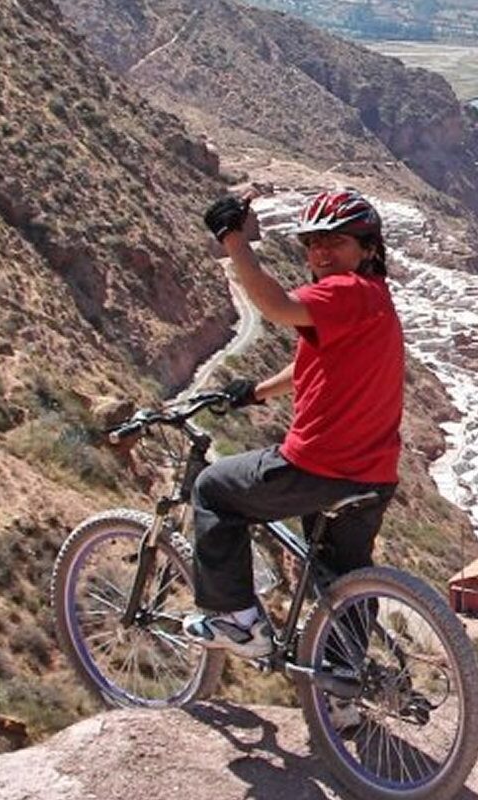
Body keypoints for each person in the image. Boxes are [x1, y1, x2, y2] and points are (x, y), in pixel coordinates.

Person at [182, 188, 405, 659]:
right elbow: (314, 366)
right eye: (312, 243)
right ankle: (343, 690)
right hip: (373, 473)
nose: (320, 252)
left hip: (319, 466)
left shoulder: (344, 290)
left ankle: (239, 623)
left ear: (367, 248)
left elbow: (278, 307)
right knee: (342, 582)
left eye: (336, 241)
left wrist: (233, 240)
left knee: (212, 490)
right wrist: (255, 393)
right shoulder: (373, 299)